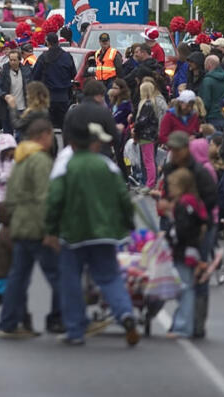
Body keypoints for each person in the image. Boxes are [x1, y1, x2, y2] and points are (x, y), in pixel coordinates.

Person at [45, 120, 141, 346]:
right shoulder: (108, 166)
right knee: (109, 277)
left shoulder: (65, 166)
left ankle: (75, 330)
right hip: (106, 232)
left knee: (71, 280)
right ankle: (125, 313)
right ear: (92, 144)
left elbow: (55, 200)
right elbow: (124, 199)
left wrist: (51, 230)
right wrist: (128, 223)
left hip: (73, 233)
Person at [0, 117, 62, 337]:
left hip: (20, 223)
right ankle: (68, 319)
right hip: (37, 225)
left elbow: (12, 194)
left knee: (18, 276)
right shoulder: (40, 161)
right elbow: (46, 197)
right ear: (44, 135)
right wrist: (51, 230)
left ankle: (8, 323)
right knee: (58, 274)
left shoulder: (21, 158)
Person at [163, 167, 209, 339]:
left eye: (173, 185)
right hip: (190, 249)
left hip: (184, 250)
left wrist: (169, 236)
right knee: (185, 287)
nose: (170, 188)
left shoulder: (183, 204)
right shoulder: (191, 202)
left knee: (184, 288)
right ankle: (181, 323)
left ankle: (183, 326)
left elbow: (182, 229)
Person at [31, 31, 77, 129]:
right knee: (64, 127)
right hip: (64, 97)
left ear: (47, 42)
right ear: (58, 42)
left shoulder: (43, 57)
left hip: (47, 97)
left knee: (46, 128)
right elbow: (74, 74)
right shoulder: (67, 56)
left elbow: (35, 76)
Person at [0, 48, 30, 136]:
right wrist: (4, 95)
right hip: (7, 109)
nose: (12, 62)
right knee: (8, 135)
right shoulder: (3, 72)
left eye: (14, 60)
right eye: (10, 60)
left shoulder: (26, 71)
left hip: (22, 107)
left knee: (20, 135)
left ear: (19, 60)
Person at [198, 54, 224, 128]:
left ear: (209, 65)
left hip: (212, 117)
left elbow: (206, 102)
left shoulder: (207, 81)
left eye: (205, 64)